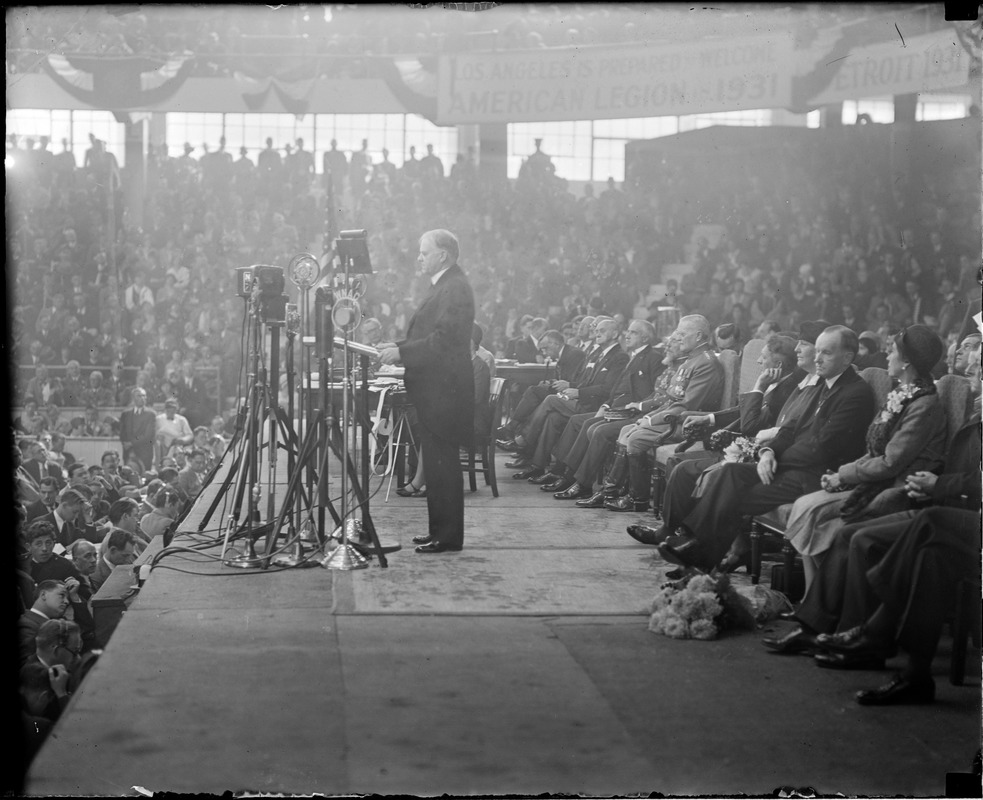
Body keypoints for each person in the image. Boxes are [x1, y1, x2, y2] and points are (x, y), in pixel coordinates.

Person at [658, 326, 877, 572]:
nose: (817, 358)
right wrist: (767, 453)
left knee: (731, 495)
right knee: (728, 473)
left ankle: (695, 559)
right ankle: (694, 549)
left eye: (826, 353)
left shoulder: (854, 393)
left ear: (847, 358)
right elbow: (789, 430)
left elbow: (820, 448)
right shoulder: (824, 384)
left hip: (815, 475)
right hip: (790, 466)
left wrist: (775, 458)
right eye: (816, 351)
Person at [781, 326, 947, 590]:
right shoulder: (902, 393)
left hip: (893, 489)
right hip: (873, 481)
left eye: (892, 351)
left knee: (815, 515)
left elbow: (891, 462)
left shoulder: (924, 404)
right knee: (806, 506)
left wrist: (842, 475)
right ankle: (815, 598)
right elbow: (874, 451)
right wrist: (843, 475)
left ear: (906, 362)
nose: (887, 357)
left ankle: (823, 600)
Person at [378, 229, 475, 554]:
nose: (418, 258)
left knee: (443, 467)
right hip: (437, 393)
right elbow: (431, 336)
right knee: (435, 466)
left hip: (444, 396)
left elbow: (443, 341)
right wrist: (399, 345)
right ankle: (439, 532)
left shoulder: (455, 288)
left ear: (442, 255)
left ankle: (447, 538)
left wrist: (401, 353)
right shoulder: (446, 285)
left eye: (423, 252)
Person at [590, 314, 725, 512]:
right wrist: (647, 418)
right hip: (675, 418)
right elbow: (672, 399)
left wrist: (651, 420)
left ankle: (637, 499)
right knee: (627, 429)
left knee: (636, 439)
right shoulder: (691, 361)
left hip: (690, 424)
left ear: (698, 336)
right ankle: (613, 491)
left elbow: (686, 405)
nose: (677, 337)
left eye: (682, 333)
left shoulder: (705, 363)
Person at [120, 387, 156, 474]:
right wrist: (126, 444)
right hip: (128, 452)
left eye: (144, 396)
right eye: (139, 396)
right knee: (128, 476)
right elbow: (122, 433)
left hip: (144, 452)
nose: (142, 398)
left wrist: (131, 443)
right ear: (133, 398)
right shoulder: (125, 414)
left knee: (145, 476)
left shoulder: (150, 414)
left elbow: (148, 435)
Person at [91, 527, 138, 593]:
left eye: (130, 555)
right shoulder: (97, 577)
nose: (129, 559)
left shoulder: (127, 560)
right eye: (125, 556)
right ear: (113, 550)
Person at [156, 397, 194, 464]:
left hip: (176, 444)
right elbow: (153, 433)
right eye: (168, 409)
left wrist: (183, 440)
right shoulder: (158, 419)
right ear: (165, 409)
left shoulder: (181, 419)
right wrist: (158, 436)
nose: (170, 411)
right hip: (162, 445)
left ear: (176, 409)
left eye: (173, 409)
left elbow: (190, 435)